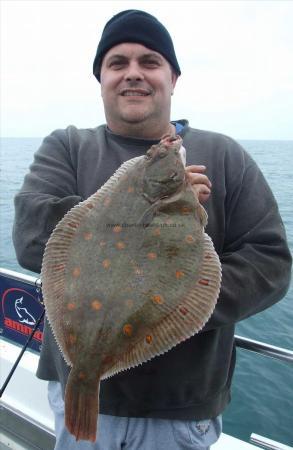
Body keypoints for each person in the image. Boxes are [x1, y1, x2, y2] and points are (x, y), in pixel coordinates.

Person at [13, 9, 291, 450]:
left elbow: (271, 263)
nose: (133, 74)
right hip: (79, 394)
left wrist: (177, 304)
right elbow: (31, 238)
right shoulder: (67, 146)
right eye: (118, 63)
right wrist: (162, 221)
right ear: (101, 78)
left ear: (173, 77)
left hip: (182, 413)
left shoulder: (226, 155)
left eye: (150, 61)